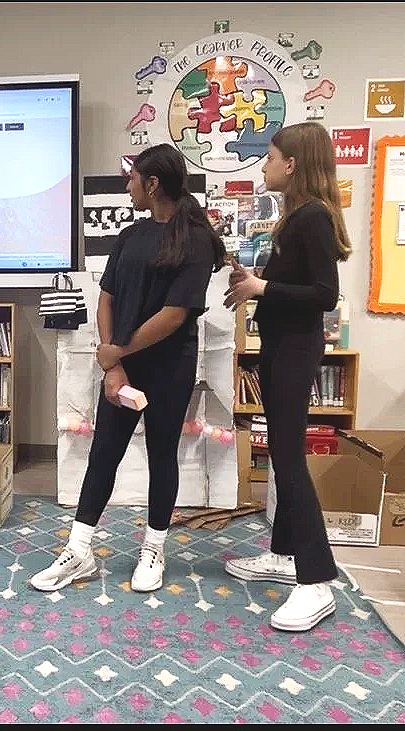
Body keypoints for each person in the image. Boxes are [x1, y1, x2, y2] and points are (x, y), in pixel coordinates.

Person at [30, 144, 225, 593]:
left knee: (162, 455)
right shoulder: (130, 236)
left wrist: (116, 353)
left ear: (152, 184)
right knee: (104, 453)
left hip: (170, 367)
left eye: (133, 178)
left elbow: (176, 314)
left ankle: (154, 547)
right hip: (120, 366)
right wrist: (112, 361)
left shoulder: (195, 239)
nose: (128, 185)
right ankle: (79, 551)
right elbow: (107, 297)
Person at [222, 122, 351, 632]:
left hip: (297, 350)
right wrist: (254, 284)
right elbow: (287, 284)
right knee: (281, 453)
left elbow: (325, 294)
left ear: (292, 164)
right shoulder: (296, 216)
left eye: (271, 157)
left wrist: (262, 284)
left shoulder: (314, 216)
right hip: (281, 346)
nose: (265, 165)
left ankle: (316, 580)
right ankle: (282, 554)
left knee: (291, 461)